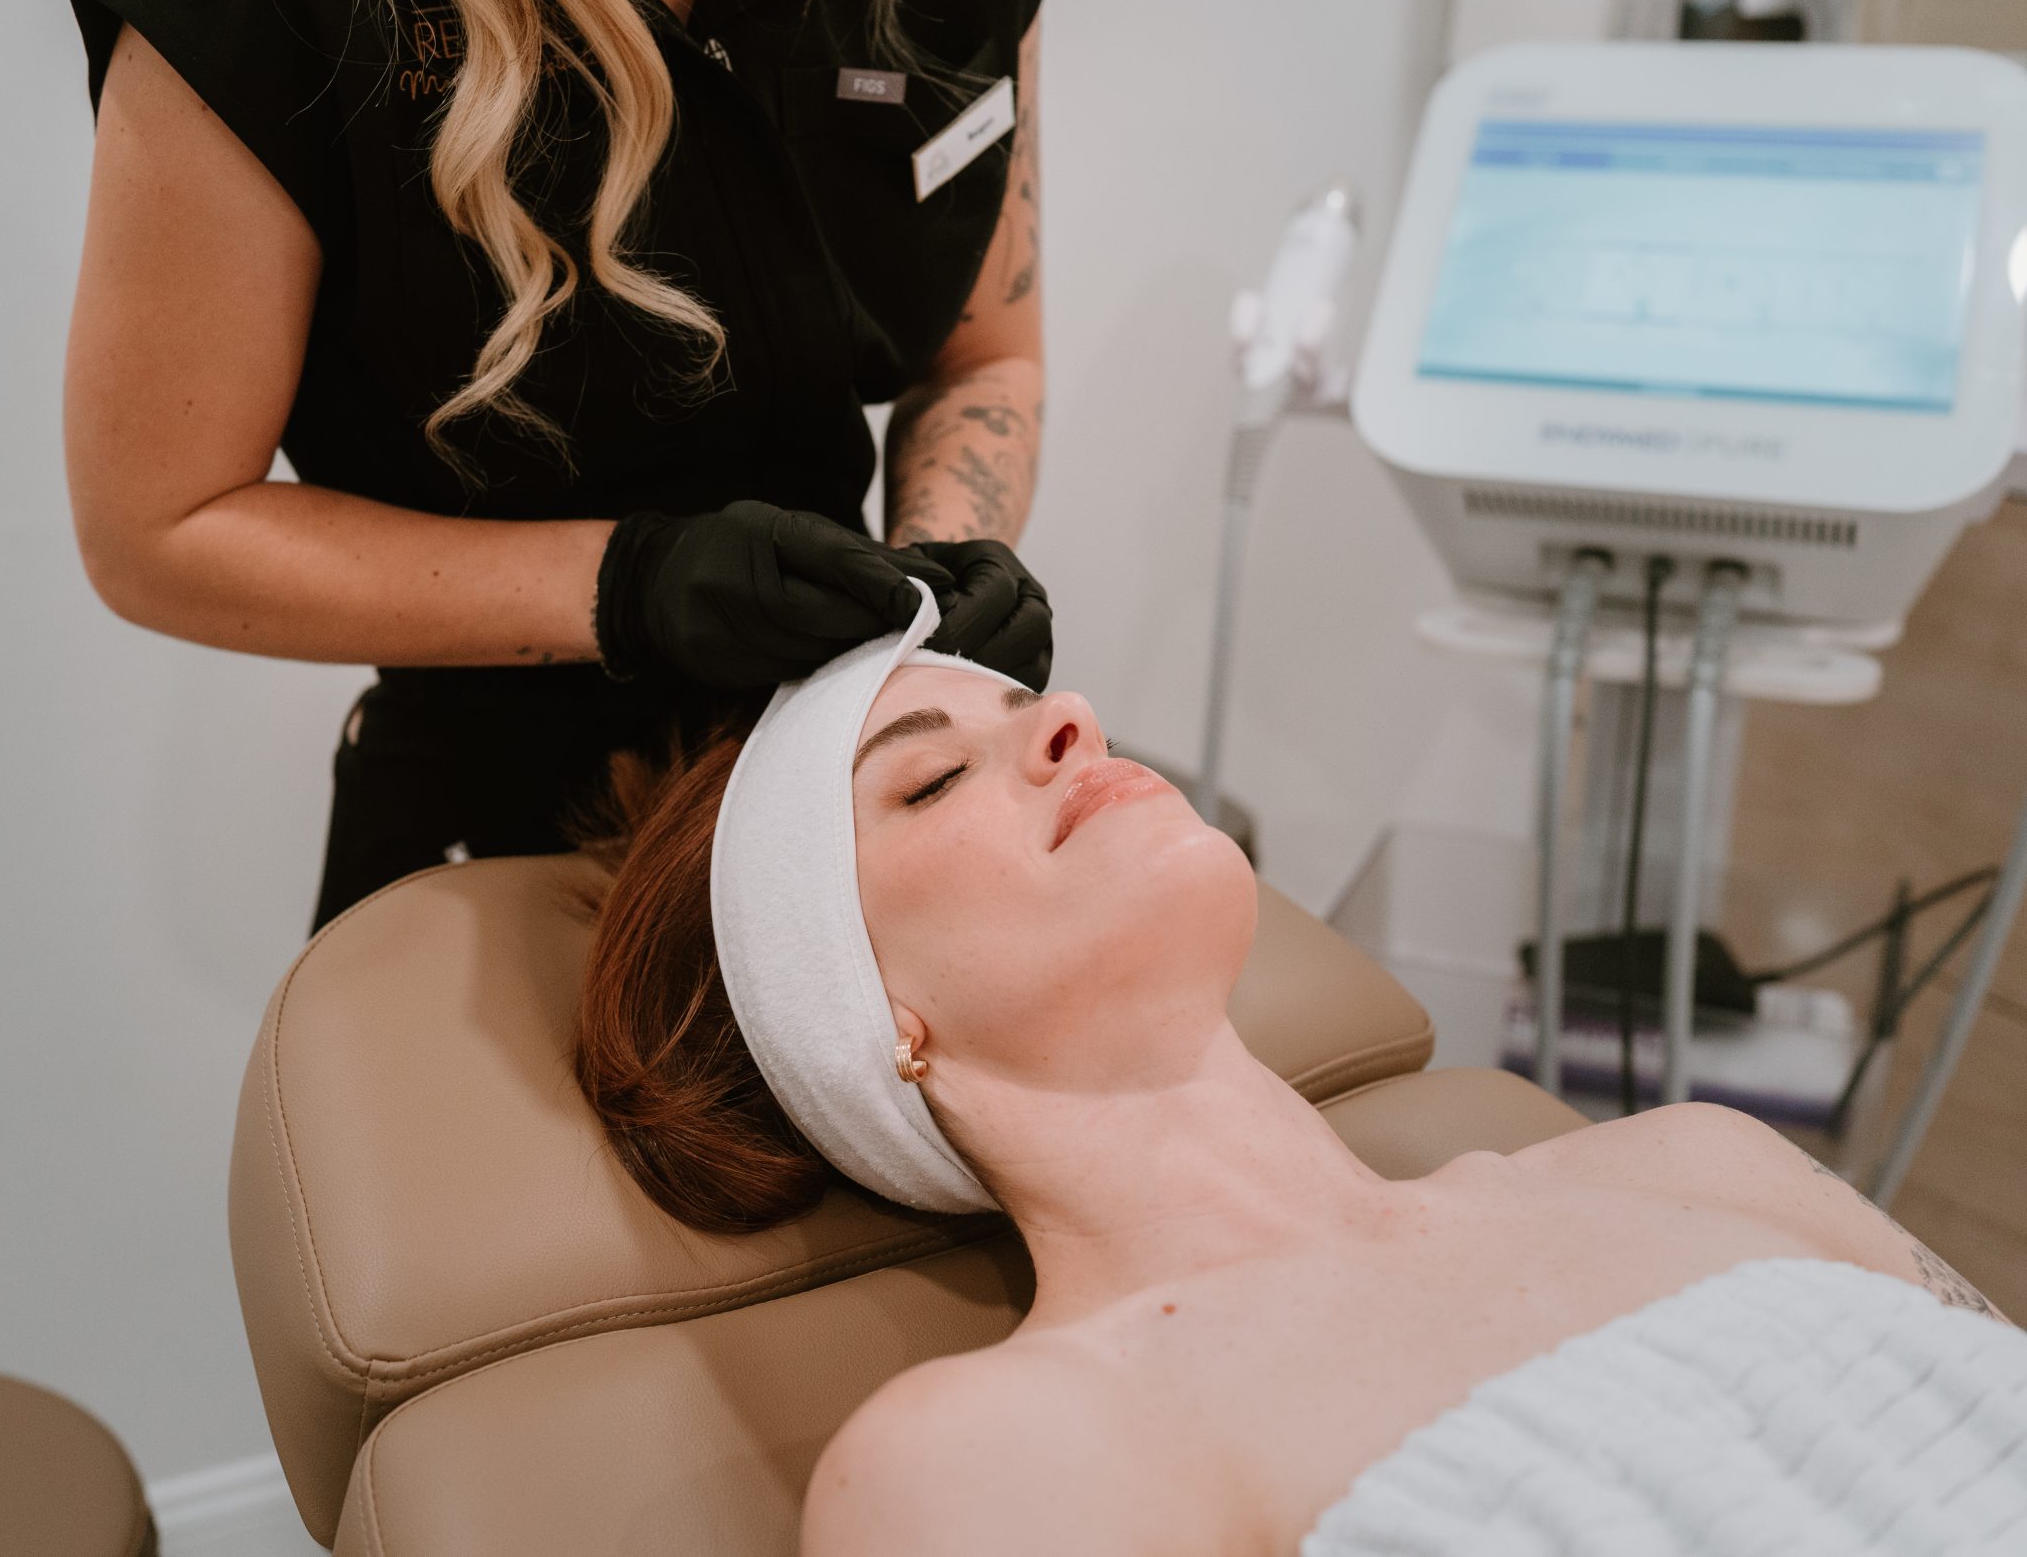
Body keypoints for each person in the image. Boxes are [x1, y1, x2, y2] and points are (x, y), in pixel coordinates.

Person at [574, 614, 2026, 1554]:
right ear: (869, 1015)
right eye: (932, 779)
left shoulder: (1708, 1157)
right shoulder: (991, 1455)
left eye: (1033, 698)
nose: (1072, 712)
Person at [61, 0, 1058, 931]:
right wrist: (628, 582)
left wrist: (938, 580)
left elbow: (983, 357)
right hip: (496, 839)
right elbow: (157, 530)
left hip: (836, 791)